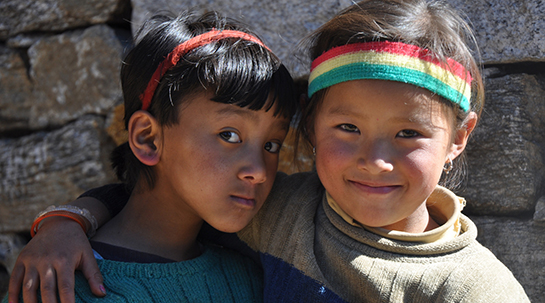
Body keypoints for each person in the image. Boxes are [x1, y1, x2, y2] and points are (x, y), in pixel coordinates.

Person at [7, 1, 530, 302]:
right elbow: (154, 195)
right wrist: (65, 223)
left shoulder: (474, 289)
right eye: (347, 126)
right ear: (314, 127)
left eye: (409, 134)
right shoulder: (280, 213)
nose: (376, 159)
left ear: (458, 138)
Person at [5, 9, 298, 303]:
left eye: (272, 144)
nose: (259, 171)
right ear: (148, 138)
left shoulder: (252, 279)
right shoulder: (57, 283)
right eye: (229, 135)